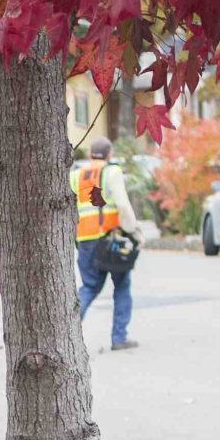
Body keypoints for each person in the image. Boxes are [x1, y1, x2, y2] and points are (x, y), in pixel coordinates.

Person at [72, 136, 141, 351]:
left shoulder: (75, 175)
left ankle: (68, 334)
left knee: (89, 287)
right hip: (110, 240)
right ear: (109, 154)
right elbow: (122, 203)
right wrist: (134, 232)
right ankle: (119, 338)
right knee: (121, 286)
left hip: (84, 239)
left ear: (90, 154)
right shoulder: (112, 172)